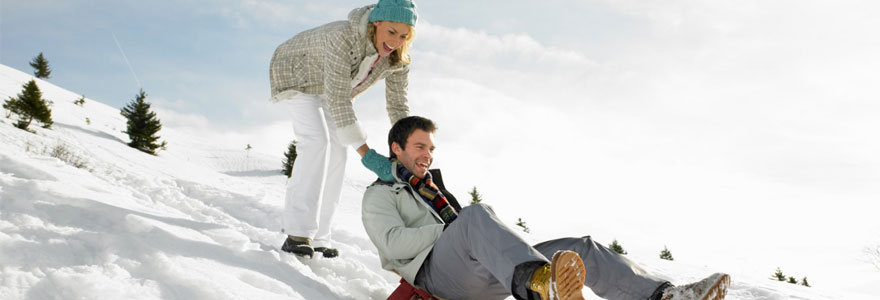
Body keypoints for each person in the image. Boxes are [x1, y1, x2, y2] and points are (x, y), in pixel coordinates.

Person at [361, 116, 731, 300]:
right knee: (474, 216)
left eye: (431, 149)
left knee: (578, 249)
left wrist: (463, 232)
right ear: (396, 148)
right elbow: (393, 246)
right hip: (434, 280)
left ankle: (663, 297)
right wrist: (452, 230)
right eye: (420, 147)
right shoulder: (381, 195)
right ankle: (540, 284)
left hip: (476, 273)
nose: (427, 155)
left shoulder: (435, 192)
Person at [268, 0, 418, 258]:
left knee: (339, 150)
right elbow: (338, 99)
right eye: (391, 32)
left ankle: (320, 237)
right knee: (317, 142)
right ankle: (297, 232)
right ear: (376, 23)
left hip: (331, 87)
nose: (396, 41)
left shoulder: (397, 59)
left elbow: (397, 106)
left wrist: (409, 148)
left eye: (404, 35)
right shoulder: (344, 37)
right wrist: (368, 155)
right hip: (296, 73)